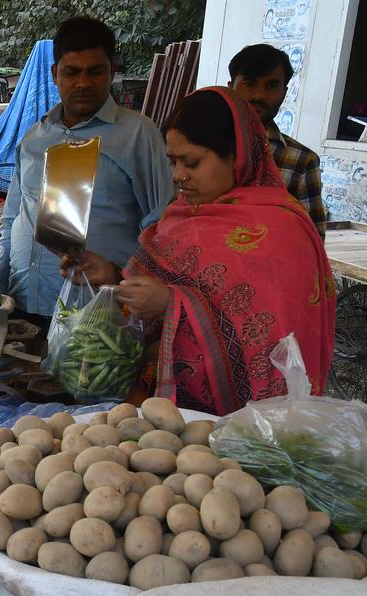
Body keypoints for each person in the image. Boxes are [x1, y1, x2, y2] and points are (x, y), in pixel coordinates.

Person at [67, 87, 335, 415]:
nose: (179, 175)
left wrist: (172, 304)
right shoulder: (182, 215)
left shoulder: (281, 232)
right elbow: (152, 294)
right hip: (160, 414)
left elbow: (274, 341)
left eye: (191, 162)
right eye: (173, 161)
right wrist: (111, 276)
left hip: (239, 426)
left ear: (236, 156)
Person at [0, 17, 173, 330]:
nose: (83, 83)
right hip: (23, 308)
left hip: (94, 317)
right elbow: (13, 218)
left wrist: (122, 276)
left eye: (95, 71)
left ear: (112, 71)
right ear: (54, 74)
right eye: (72, 72)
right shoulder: (35, 137)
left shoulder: (137, 135)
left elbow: (163, 227)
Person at [228, 43, 329, 237]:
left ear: (284, 92)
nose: (259, 95)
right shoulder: (202, 147)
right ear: (231, 87)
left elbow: (312, 238)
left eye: (272, 86)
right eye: (249, 83)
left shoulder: (302, 161)